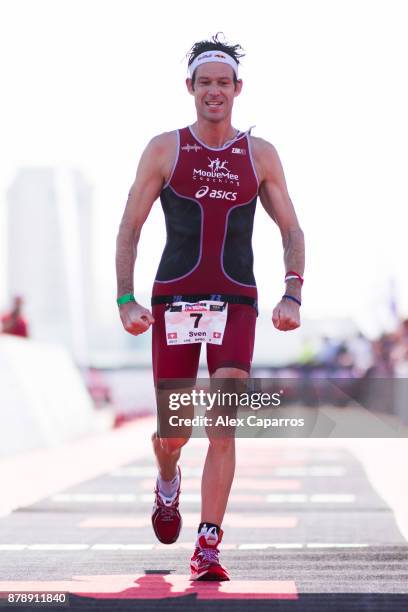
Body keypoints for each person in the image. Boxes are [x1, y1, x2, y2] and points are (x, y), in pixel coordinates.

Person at [115, 34, 305, 581]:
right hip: (173, 300)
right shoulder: (164, 149)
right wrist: (125, 299)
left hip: (236, 302)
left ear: (237, 88)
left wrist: (292, 289)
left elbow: (291, 227)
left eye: (224, 83)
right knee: (175, 433)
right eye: (205, 83)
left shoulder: (259, 153)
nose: (214, 92)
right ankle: (167, 478)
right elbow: (129, 227)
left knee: (223, 425)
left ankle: (208, 543)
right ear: (190, 89)